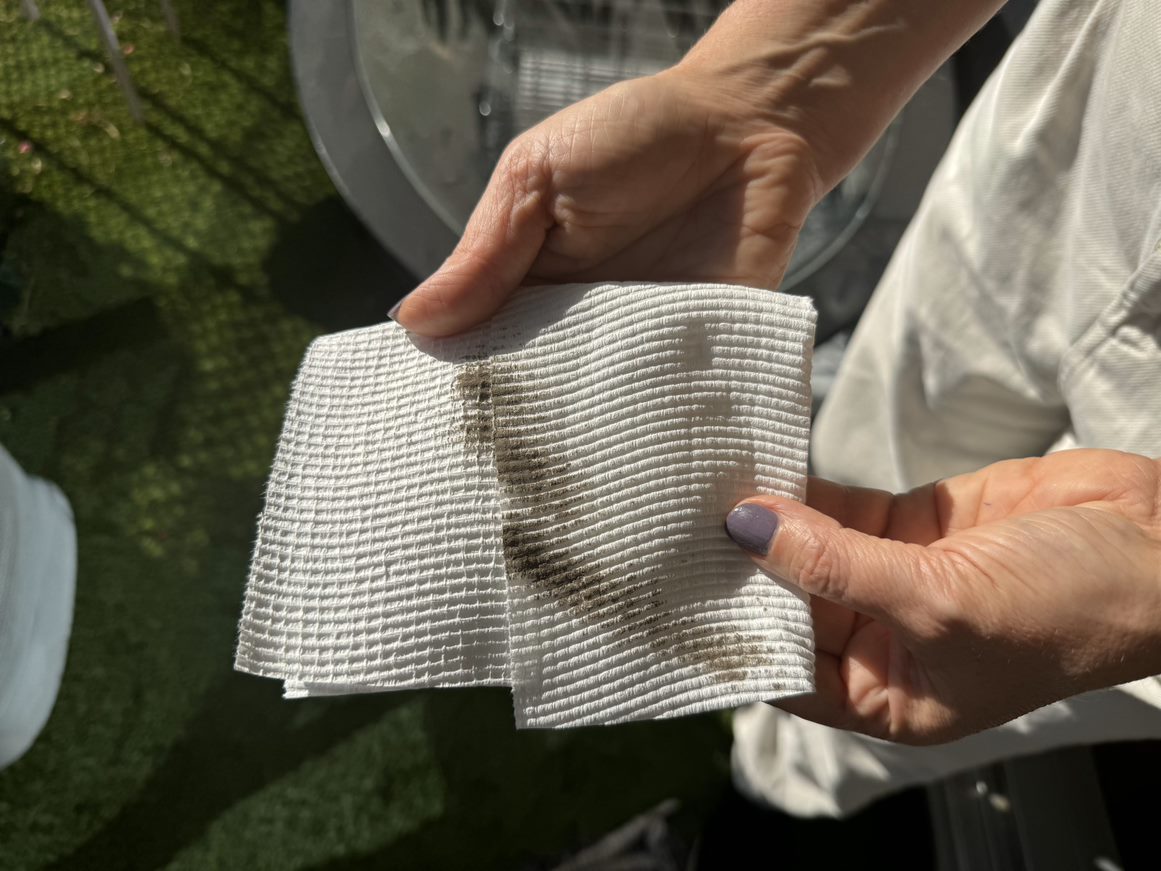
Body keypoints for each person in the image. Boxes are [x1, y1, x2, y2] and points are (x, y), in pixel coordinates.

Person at [390, 0, 1161, 817]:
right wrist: (762, 92)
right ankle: (765, 744)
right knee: (867, 479)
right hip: (1116, 115)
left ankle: (767, 771)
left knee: (887, 661)